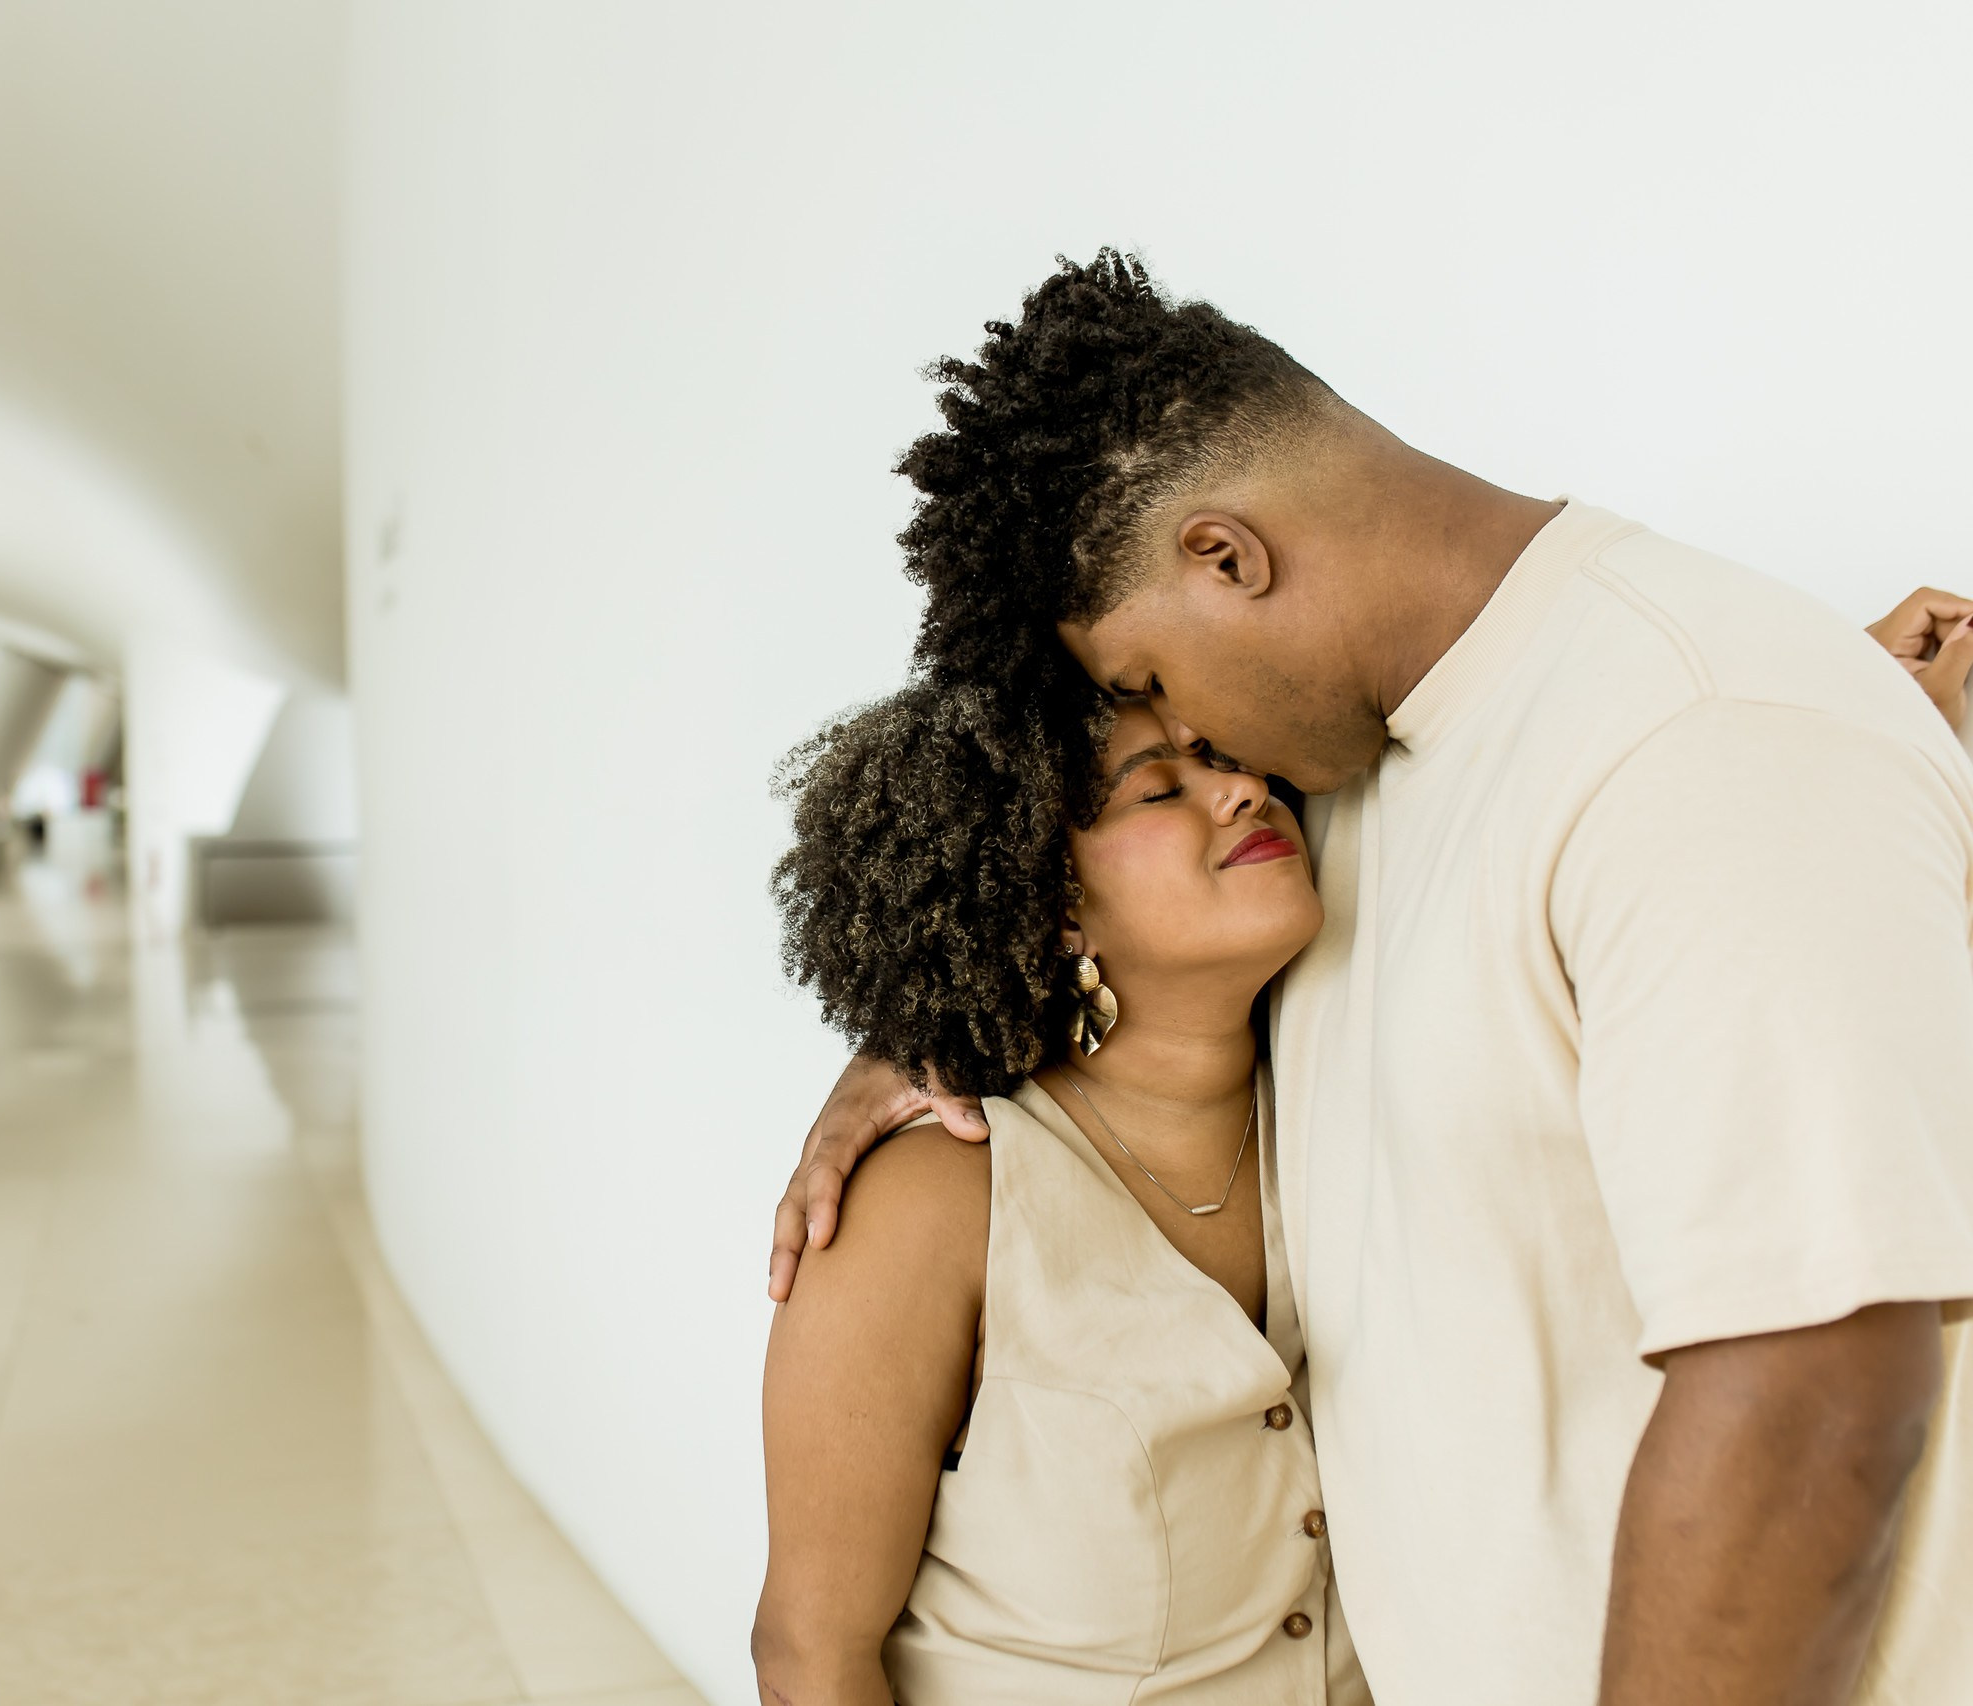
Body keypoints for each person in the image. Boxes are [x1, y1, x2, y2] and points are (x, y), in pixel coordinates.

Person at [768, 252, 1973, 1705]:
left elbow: (1816, 1394)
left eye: (1150, 684)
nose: (1200, 748)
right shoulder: (1351, 780)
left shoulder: (1708, 744)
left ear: (1226, 557)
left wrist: (1801, 734)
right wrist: (920, 1035)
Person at [756, 684, 1366, 1703]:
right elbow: (807, 1653)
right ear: (1053, 905)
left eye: (1226, 756)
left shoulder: (1336, 1113)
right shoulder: (927, 1205)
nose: (1245, 791)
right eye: (1159, 791)